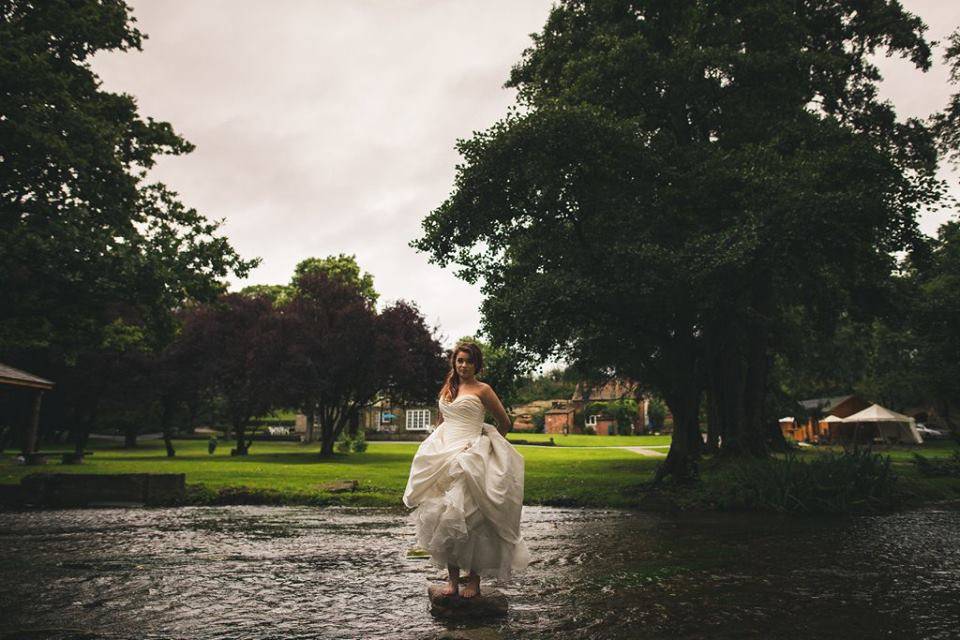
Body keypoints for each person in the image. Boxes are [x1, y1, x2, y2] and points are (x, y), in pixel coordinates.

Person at [403, 341, 529, 598]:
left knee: (471, 518)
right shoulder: (449, 387)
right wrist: (436, 442)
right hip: (444, 457)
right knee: (443, 517)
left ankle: (474, 581)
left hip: (470, 457)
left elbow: (504, 422)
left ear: (477, 364)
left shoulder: (483, 390)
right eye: (460, 361)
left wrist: (487, 445)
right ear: (454, 362)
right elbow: (443, 419)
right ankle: (451, 582)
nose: (463, 366)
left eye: (469, 361)